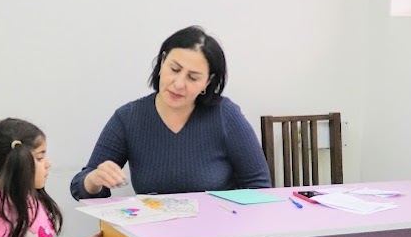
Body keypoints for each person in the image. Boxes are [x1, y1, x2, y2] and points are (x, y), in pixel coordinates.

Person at [70, 26, 271, 199]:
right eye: (174, 69)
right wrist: (94, 180)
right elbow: (79, 188)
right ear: (162, 62)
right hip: (152, 229)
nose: (179, 84)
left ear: (207, 82)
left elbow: (259, 185)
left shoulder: (224, 115)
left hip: (219, 227)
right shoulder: (128, 118)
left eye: (193, 78)